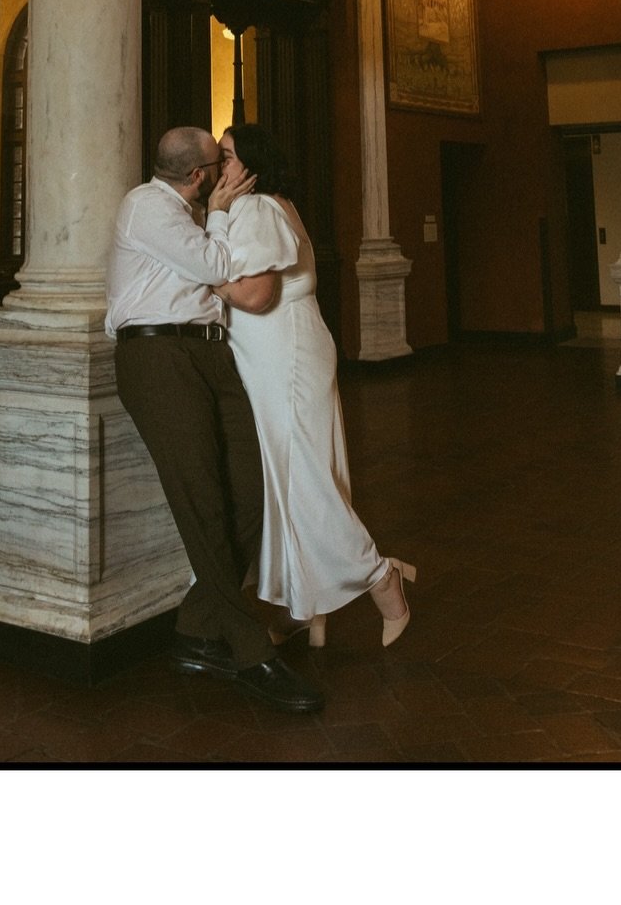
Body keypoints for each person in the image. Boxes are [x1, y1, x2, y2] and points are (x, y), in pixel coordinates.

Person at [105, 125, 324, 713]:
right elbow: (217, 264)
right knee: (201, 500)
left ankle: (196, 632)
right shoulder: (145, 206)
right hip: (157, 357)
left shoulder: (190, 210)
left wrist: (219, 215)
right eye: (220, 163)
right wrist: (222, 214)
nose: (229, 173)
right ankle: (253, 653)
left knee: (252, 493)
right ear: (199, 176)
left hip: (210, 353)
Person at [213, 123, 416, 648]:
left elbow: (257, 296)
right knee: (285, 478)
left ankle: (380, 577)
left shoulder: (256, 208)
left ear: (253, 166)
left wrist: (203, 275)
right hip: (285, 350)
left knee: (302, 478)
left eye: (229, 157)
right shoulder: (279, 203)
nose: (221, 169)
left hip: (284, 355)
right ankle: (301, 608)